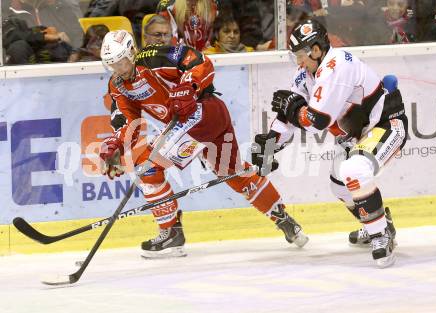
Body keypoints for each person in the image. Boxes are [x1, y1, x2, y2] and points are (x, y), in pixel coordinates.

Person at [98, 30, 309, 258]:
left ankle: (171, 233)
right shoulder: (118, 85)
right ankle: (286, 222)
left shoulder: (153, 57)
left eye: (121, 62)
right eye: (112, 65)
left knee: (147, 169)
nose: (118, 69)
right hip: (205, 121)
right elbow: (127, 121)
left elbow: (199, 60)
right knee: (233, 172)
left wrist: (188, 86)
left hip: (201, 115)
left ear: (131, 52)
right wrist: (116, 145)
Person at [251, 19, 408, 268]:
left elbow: (317, 120)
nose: (298, 62)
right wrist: (270, 144)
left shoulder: (337, 67)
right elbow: (289, 113)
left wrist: (294, 109)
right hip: (356, 136)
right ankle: (378, 223)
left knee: (353, 171)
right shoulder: (306, 73)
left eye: (301, 55)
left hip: (386, 126)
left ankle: (382, 236)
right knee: (340, 186)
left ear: (316, 49)